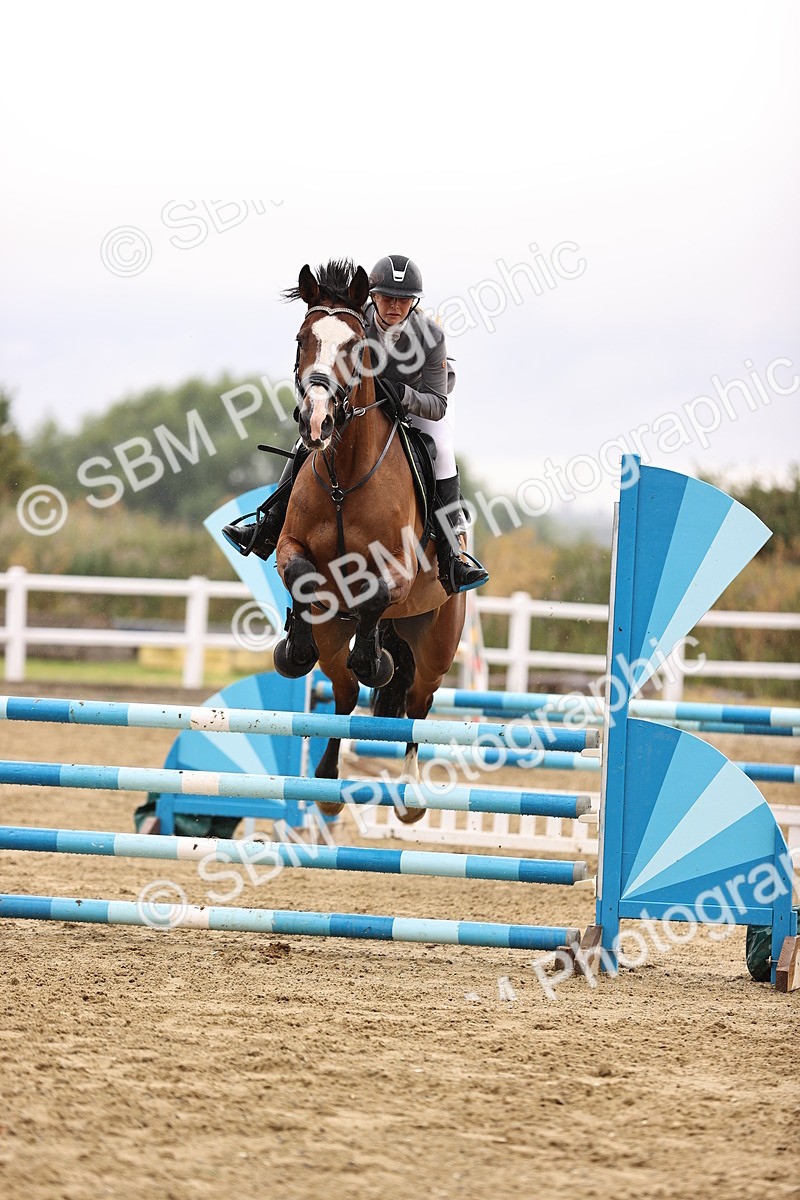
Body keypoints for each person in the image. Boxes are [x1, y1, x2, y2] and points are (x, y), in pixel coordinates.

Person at [222, 254, 489, 594]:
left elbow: (436, 404)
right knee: (311, 438)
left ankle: (453, 555)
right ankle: (269, 525)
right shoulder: (351, 319)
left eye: (404, 300)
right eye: (387, 298)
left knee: (442, 450)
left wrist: (400, 394)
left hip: (419, 404)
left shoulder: (430, 336)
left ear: (414, 302)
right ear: (372, 297)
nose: (395, 306)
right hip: (364, 405)